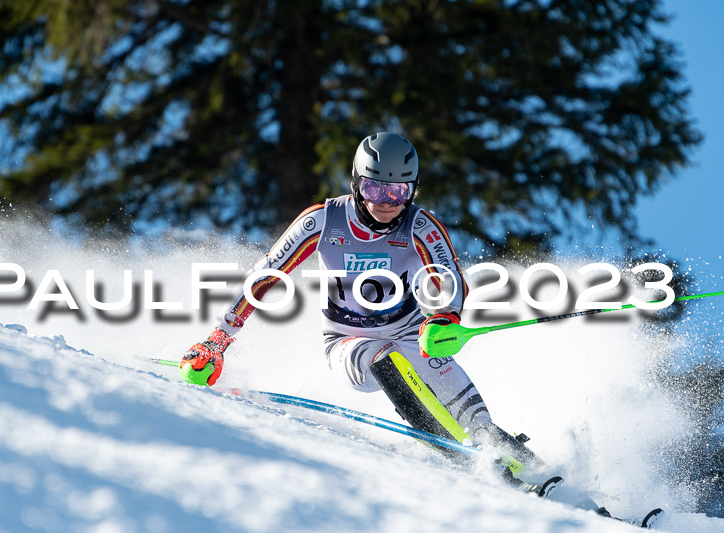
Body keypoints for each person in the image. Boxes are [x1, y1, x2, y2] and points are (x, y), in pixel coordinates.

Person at [179, 132, 560, 495]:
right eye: (374, 188)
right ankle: (466, 457)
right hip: (347, 342)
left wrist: (445, 316)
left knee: (474, 417)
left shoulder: (420, 225)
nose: (386, 201)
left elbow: (449, 278)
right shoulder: (323, 220)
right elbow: (265, 274)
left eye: (398, 191)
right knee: (385, 360)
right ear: (356, 184)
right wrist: (218, 338)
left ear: (412, 190)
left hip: (411, 330)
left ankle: (534, 472)